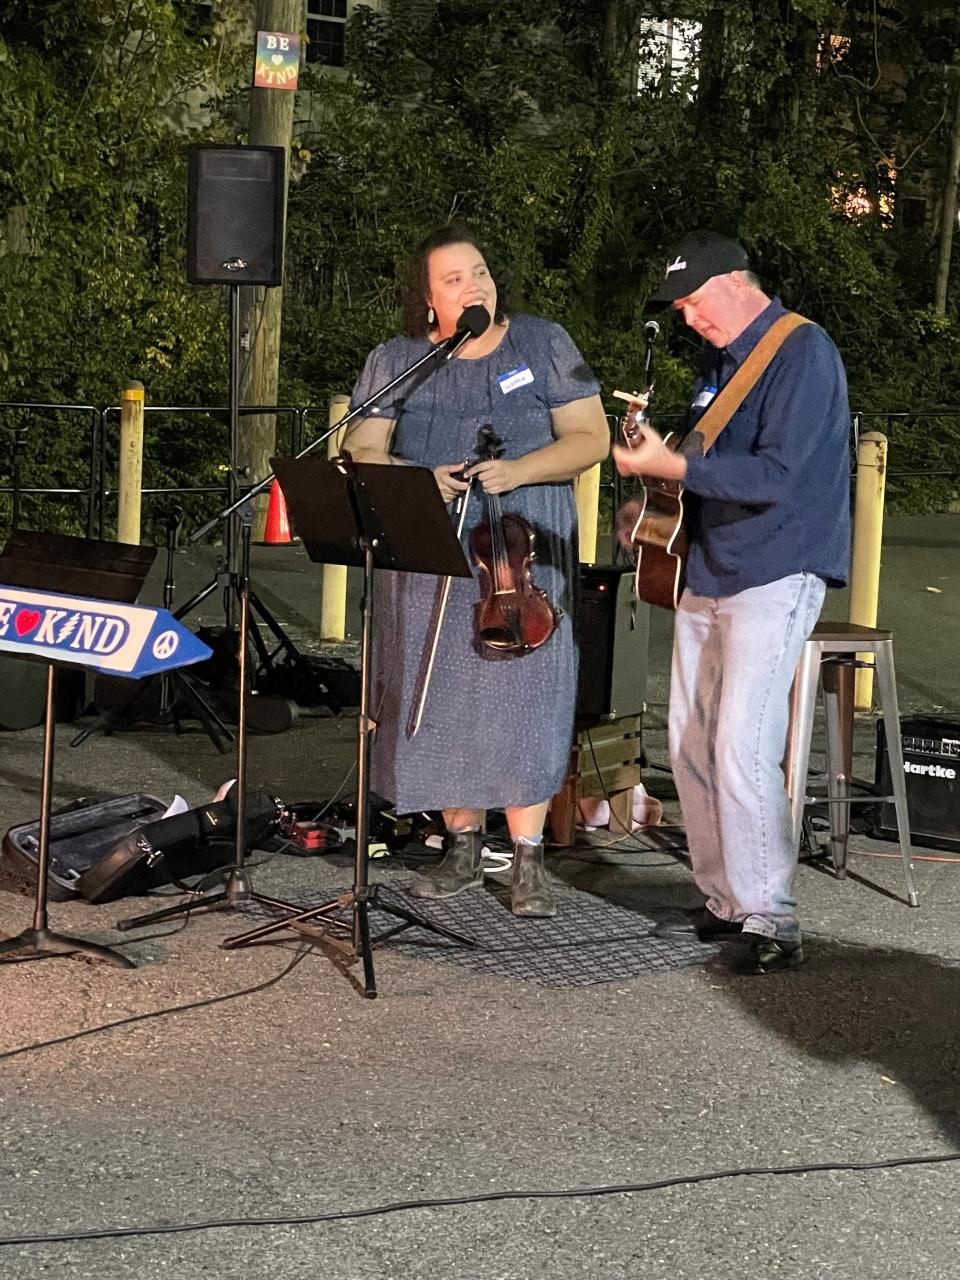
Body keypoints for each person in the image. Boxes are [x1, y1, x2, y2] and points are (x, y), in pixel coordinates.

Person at [343, 223, 609, 917]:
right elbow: (362, 444)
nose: (474, 286)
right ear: (427, 297)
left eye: (481, 272)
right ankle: (459, 843)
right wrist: (416, 476)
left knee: (525, 696)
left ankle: (527, 860)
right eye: (455, 279)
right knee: (444, 694)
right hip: (433, 547)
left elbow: (591, 437)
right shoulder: (397, 358)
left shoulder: (542, 343)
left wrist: (518, 468)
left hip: (520, 548)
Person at [613, 230, 851, 974]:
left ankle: (772, 914)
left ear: (734, 284)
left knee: (741, 742)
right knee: (688, 739)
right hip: (710, 566)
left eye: (692, 302)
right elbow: (708, 467)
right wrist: (655, 501)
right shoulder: (723, 361)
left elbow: (776, 474)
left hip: (778, 565)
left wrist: (672, 463)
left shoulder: (802, 352)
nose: (686, 319)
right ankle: (727, 900)